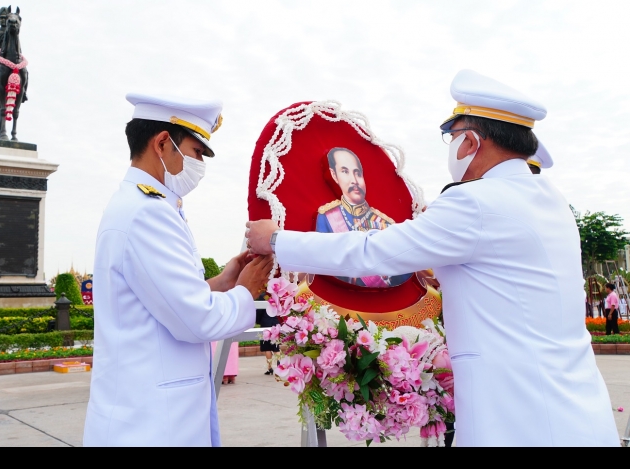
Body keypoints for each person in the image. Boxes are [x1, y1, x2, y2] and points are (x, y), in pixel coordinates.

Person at [246, 69, 618, 446]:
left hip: (519, 420)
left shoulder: (474, 201)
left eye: (451, 136)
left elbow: (374, 252)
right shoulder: (550, 200)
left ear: (470, 141)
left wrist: (276, 240)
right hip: (578, 414)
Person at [83, 93, 273, 447]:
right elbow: (197, 320)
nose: (199, 164)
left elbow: (163, 298)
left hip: (147, 416)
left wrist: (222, 282)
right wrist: (247, 290)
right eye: (196, 152)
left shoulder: (142, 205)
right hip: (151, 425)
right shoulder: (148, 213)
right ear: (161, 144)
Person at [316, 147, 411, 288]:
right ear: (334, 175)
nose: (354, 180)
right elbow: (323, 260)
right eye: (345, 172)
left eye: (358, 173)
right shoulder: (328, 218)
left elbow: (403, 272)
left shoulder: (385, 224)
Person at [256, 291, 280, 375]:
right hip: (275, 323)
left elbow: (259, 311)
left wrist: (258, 321)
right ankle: (279, 363)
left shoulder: (263, 296)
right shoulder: (277, 295)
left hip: (265, 323)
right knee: (276, 346)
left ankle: (270, 368)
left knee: (267, 347)